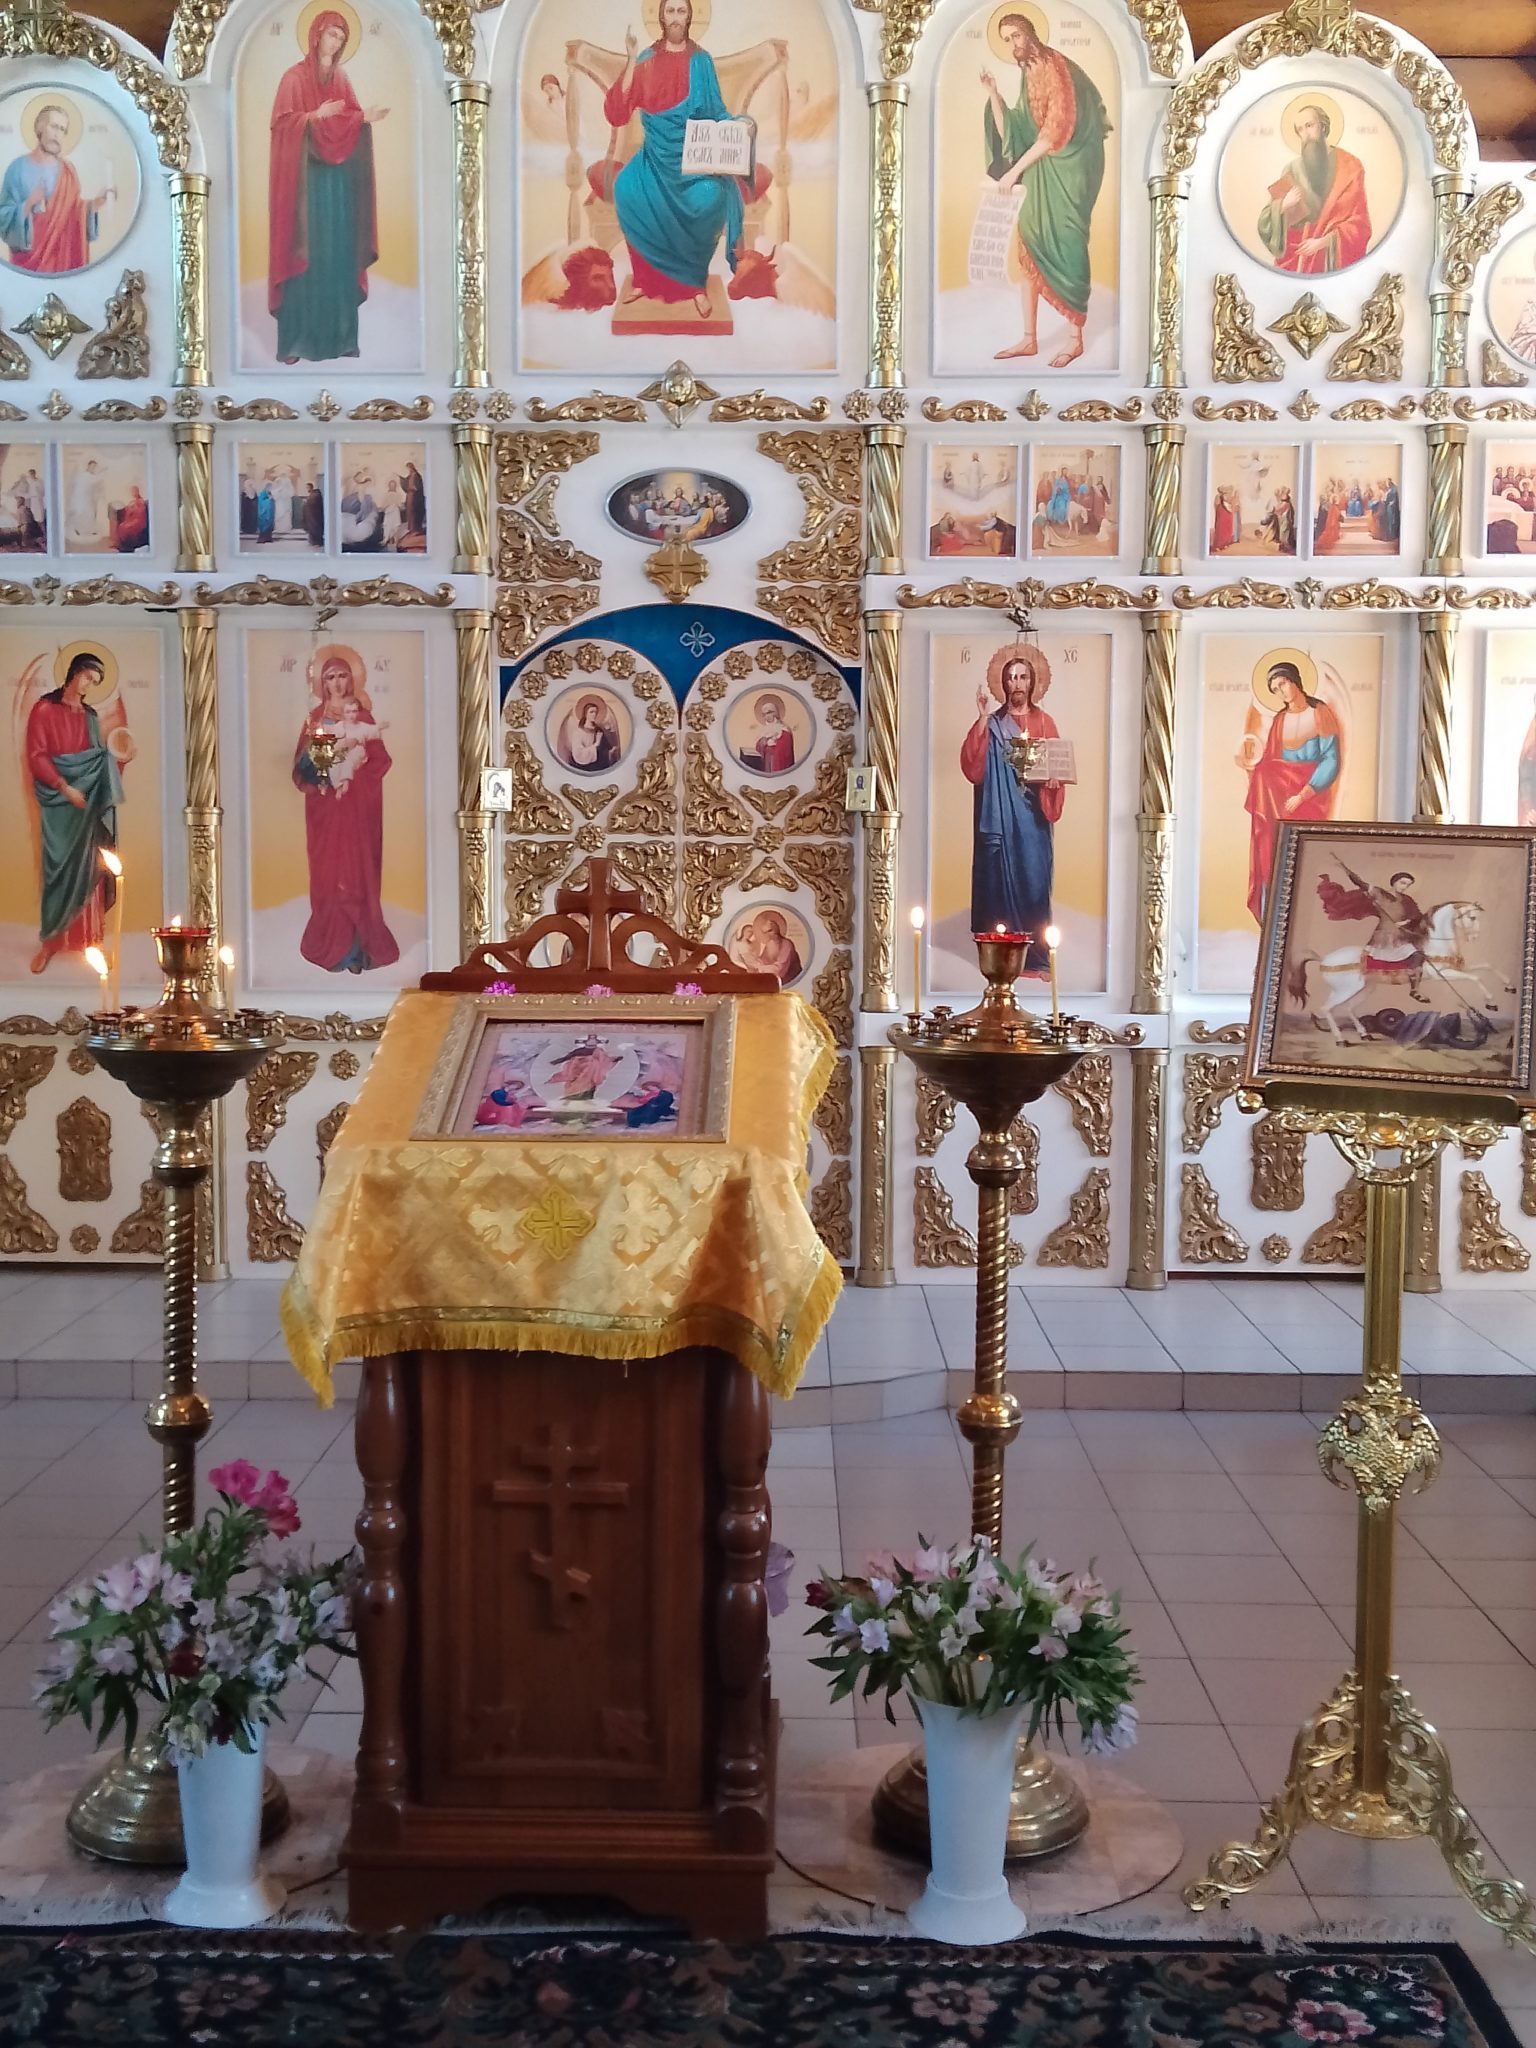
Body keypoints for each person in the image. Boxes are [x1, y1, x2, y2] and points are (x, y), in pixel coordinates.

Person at [601, 0, 765, 319]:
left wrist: (741, 124)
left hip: (694, 160)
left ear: (690, 16)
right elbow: (617, 113)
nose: (676, 18)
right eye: (670, 11)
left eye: (681, 11)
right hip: (654, 159)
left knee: (710, 197)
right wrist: (631, 59)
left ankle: (694, 285)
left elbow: (716, 112)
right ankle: (646, 281)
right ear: (661, 16)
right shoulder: (645, 60)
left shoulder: (701, 62)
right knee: (627, 189)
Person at [981, 13, 1110, 367]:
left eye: (1016, 36)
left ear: (1030, 33)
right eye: (1006, 39)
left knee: (1069, 243)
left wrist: (1013, 173)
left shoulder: (1056, 67)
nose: (1012, 45)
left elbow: (1054, 133)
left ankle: (1075, 340)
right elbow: (1018, 130)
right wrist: (993, 95)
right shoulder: (1029, 72)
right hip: (1041, 169)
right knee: (1029, 243)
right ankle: (1029, 338)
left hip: (1071, 169)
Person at [267, 10, 387, 364]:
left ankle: (341, 338)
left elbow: (349, 120)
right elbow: (282, 126)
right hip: (304, 187)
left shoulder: (341, 79)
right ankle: (297, 342)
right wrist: (315, 116)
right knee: (306, 253)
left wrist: (363, 118)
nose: (335, 43)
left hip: (337, 187)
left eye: (341, 38)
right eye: (331, 34)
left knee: (337, 252)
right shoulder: (293, 78)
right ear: (316, 34)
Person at [292, 646, 398, 973]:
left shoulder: (363, 718)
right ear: (322, 683)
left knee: (355, 873)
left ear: (351, 680)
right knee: (328, 873)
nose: (336, 682)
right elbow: (300, 768)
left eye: (342, 676)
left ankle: (359, 950)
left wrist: (356, 770)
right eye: (330, 677)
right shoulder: (314, 719)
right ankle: (333, 946)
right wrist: (320, 766)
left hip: (356, 810)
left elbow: (381, 761)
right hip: (325, 809)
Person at [960, 648, 1063, 969]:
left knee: (1034, 879)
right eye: (1011, 677)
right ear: (1003, 683)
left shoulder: (1044, 722)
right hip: (998, 819)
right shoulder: (992, 724)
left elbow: (1057, 766)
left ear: (1032, 683)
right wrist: (981, 717)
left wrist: (1053, 782)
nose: (1017, 683)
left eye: (1023, 677)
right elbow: (973, 768)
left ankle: (1036, 956)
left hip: (1033, 821)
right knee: (996, 880)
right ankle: (997, 958)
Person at [24, 649, 121, 973]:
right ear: (75, 672)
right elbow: (36, 756)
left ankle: (91, 942)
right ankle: (50, 943)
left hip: (87, 806)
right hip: (59, 804)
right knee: (58, 873)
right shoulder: (44, 709)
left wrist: (120, 758)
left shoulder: (90, 716)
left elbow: (96, 762)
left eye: (95, 682)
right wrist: (66, 788)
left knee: (90, 870)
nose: (88, 686)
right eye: (88, 678)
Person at [1242, 658, 1342, 924]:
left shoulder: (1320, 712)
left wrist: (1303, 794)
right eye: (1275, 689)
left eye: (1283, 683)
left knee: (1301, 856)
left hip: (1309, 798)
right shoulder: (1280, 719)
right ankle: (1273, 917)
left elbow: (1331, 759)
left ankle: (1303, 919)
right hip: (1277, 800)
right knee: (1271, 850)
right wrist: (1251, 766)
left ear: (1295, 681)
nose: (1281, 692)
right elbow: (1270, 762)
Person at [1257, 103, 1372, 275]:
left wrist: (1323, 242)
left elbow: (1359, 223)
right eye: (1300, 130)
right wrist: (1283, 205)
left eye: (1309, 125)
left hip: (1331, 260)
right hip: (1298, 257)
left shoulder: (1350, 166)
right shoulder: (1292, 169)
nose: (1305, 134)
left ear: (1323, 127)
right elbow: (1265, 223)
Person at [0, 102, 106, 275]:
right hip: (27, 263)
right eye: (54, 126)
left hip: (62, 259)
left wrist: (92, 207)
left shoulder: (68, 171)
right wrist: (28, 205)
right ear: (40, 127)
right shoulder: (17, 168)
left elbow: (73, 211)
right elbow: (3, 215)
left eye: (63, 130)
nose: (58, 134)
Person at [1315, 864, 1430, 1002]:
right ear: (1394, 882)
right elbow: (1361, 883)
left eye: (1408, 885)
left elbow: (1417, 916)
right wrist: (1346, 870)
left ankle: (1415, 990)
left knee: (1418, 956)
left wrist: (1405, 922)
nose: (1404, 887)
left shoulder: (1407, 900)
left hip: (1401, 935)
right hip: (1384, 936)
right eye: (1402, 883)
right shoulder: (1379, 893)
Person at [733, 908, 802, 984]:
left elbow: (780, 969)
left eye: (770, 931)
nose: (768, 935)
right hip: (773, 979)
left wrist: (760, 969)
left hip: (789, 980)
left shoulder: (787, 944)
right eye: (765, 932)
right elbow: (763, 961)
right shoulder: (770, 944)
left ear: (776, 930)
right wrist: (754, 964)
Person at [557, 694, 621, 772]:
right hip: (583, 768)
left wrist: (611, 752)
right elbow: (578, 755)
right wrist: (596, 744)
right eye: (591, 712)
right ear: (585, 714)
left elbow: (606, 750)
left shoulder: (599, 731)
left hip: (599, 767)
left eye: (596, 712)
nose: (594, 714)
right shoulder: (578, 733)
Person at [739, 692, 795, 773]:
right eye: (764, 714)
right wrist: (763, 742)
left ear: (775, 712)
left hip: (778, 762)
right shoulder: (764, 729)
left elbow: (786, 750)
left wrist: (774, 744)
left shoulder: (784, 729)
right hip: (767, 760)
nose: (767, 716)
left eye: (769, 713)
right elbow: (759, 746)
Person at [111, 483, 149, 553]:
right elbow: (129, 510)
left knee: (126, 528)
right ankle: (121, 545)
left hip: (139, 520)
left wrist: (132, 509)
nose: (133, 493)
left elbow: (140, 512)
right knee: (122, 526)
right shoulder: (132, 501)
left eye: (134, 491)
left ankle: (128, 547)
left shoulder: (140, 501)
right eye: (132, 491)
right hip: (132, 519)